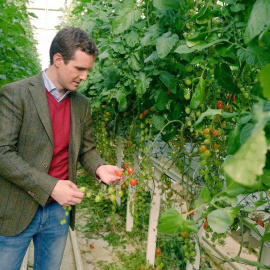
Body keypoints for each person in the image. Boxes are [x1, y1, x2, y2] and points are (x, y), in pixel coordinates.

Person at [0, 26, 124, 270]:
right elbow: (3, 153)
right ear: (58, 60)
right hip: (17, 209)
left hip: (58, 212)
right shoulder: (17, 94)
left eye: (88, 70)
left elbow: (86, 149)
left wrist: (99, 168)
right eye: (79, 69)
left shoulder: (81, 104)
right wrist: (51, 186)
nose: (85, 76)